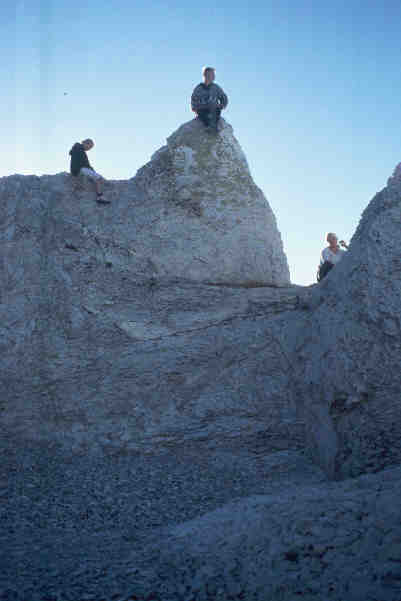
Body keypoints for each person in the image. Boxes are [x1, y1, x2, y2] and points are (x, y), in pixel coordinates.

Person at [69, 139, 109, 203]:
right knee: (98, 178)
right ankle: (100, 196)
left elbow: (84, 162)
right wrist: (92, 170)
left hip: (77, 169)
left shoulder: (77, 148)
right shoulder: (79, 149)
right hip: (80, 169)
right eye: (89, 146)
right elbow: (84, 163)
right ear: (86, 143)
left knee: (94, 177)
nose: (89, 149)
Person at [191, 67, 228, 133]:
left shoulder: (216, 87)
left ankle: (213, 127)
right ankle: (208, 126)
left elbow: (224, 97)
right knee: (203, 113)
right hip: (202, 109)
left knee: (215, 111)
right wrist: (195, 107)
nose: (213, 77)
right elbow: (193, 99)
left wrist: (222, 105)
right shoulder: (199, 88)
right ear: (205, 75)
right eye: (211, 74)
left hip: (213, 108)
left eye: (213, 75)